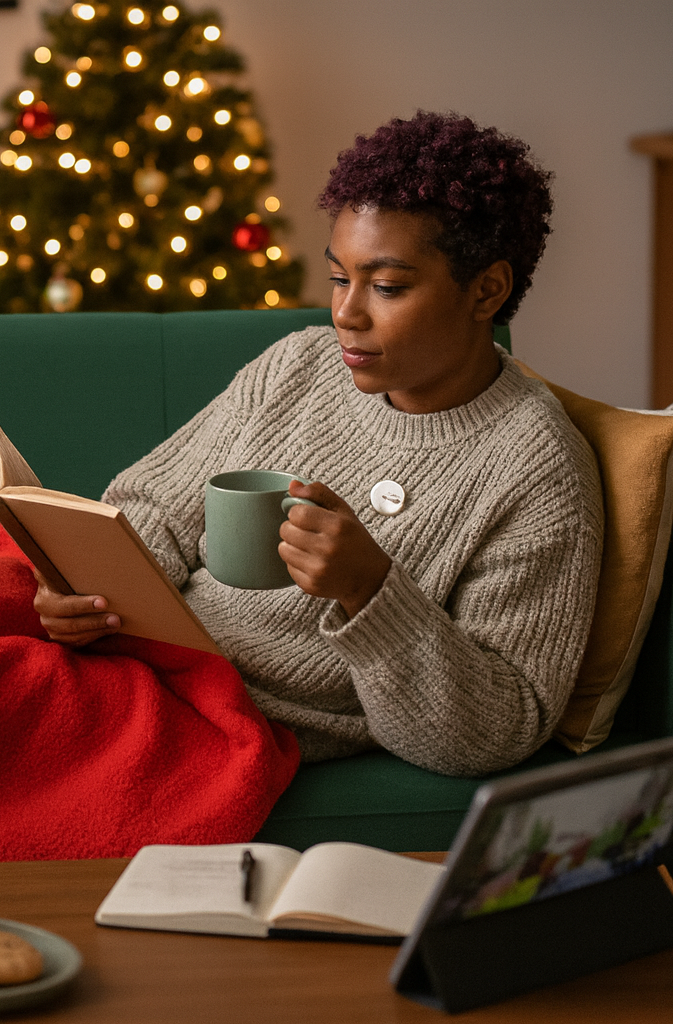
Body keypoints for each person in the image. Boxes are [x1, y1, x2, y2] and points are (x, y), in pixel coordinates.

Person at [35, 110, 604, 778]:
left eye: (387, 286)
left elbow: (499, 729)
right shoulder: (299, 365)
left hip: (219, 718)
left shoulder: (537, 472)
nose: (346, 313)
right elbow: (151, 506)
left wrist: (370, 590)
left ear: (487, 290)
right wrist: (84, 596)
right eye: (340, 278)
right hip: (139, 656)